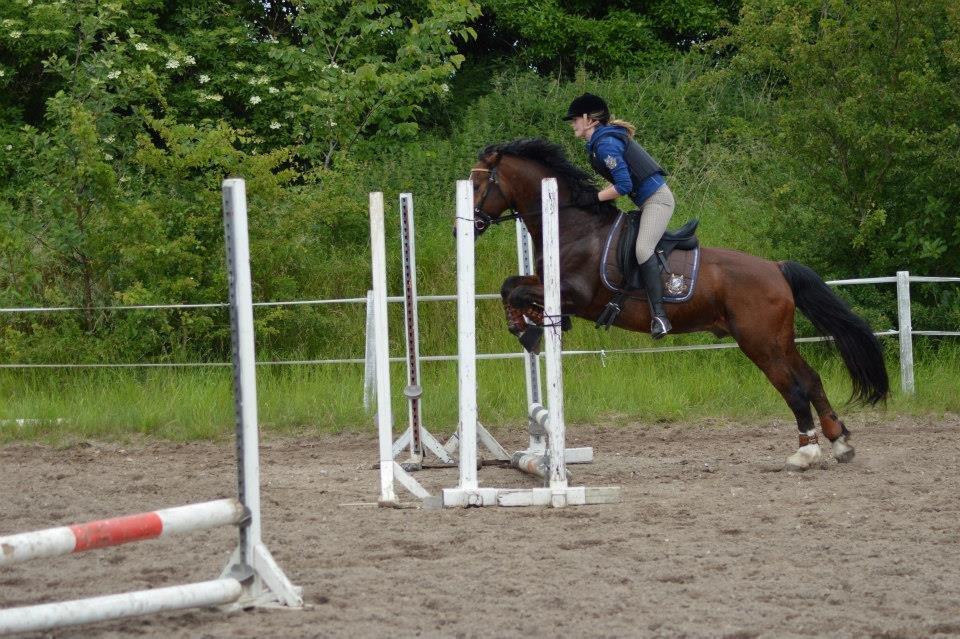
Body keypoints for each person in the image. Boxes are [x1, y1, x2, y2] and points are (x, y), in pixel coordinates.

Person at [563, 92, 674, 338]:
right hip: (645, 202)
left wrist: (592, 198)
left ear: (590, 120)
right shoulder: (599, 143)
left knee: (643, 249)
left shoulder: (605, 145)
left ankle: (660, 316)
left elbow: (623, 186)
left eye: (575, 119)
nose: (573, 124)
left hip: (657, 201)